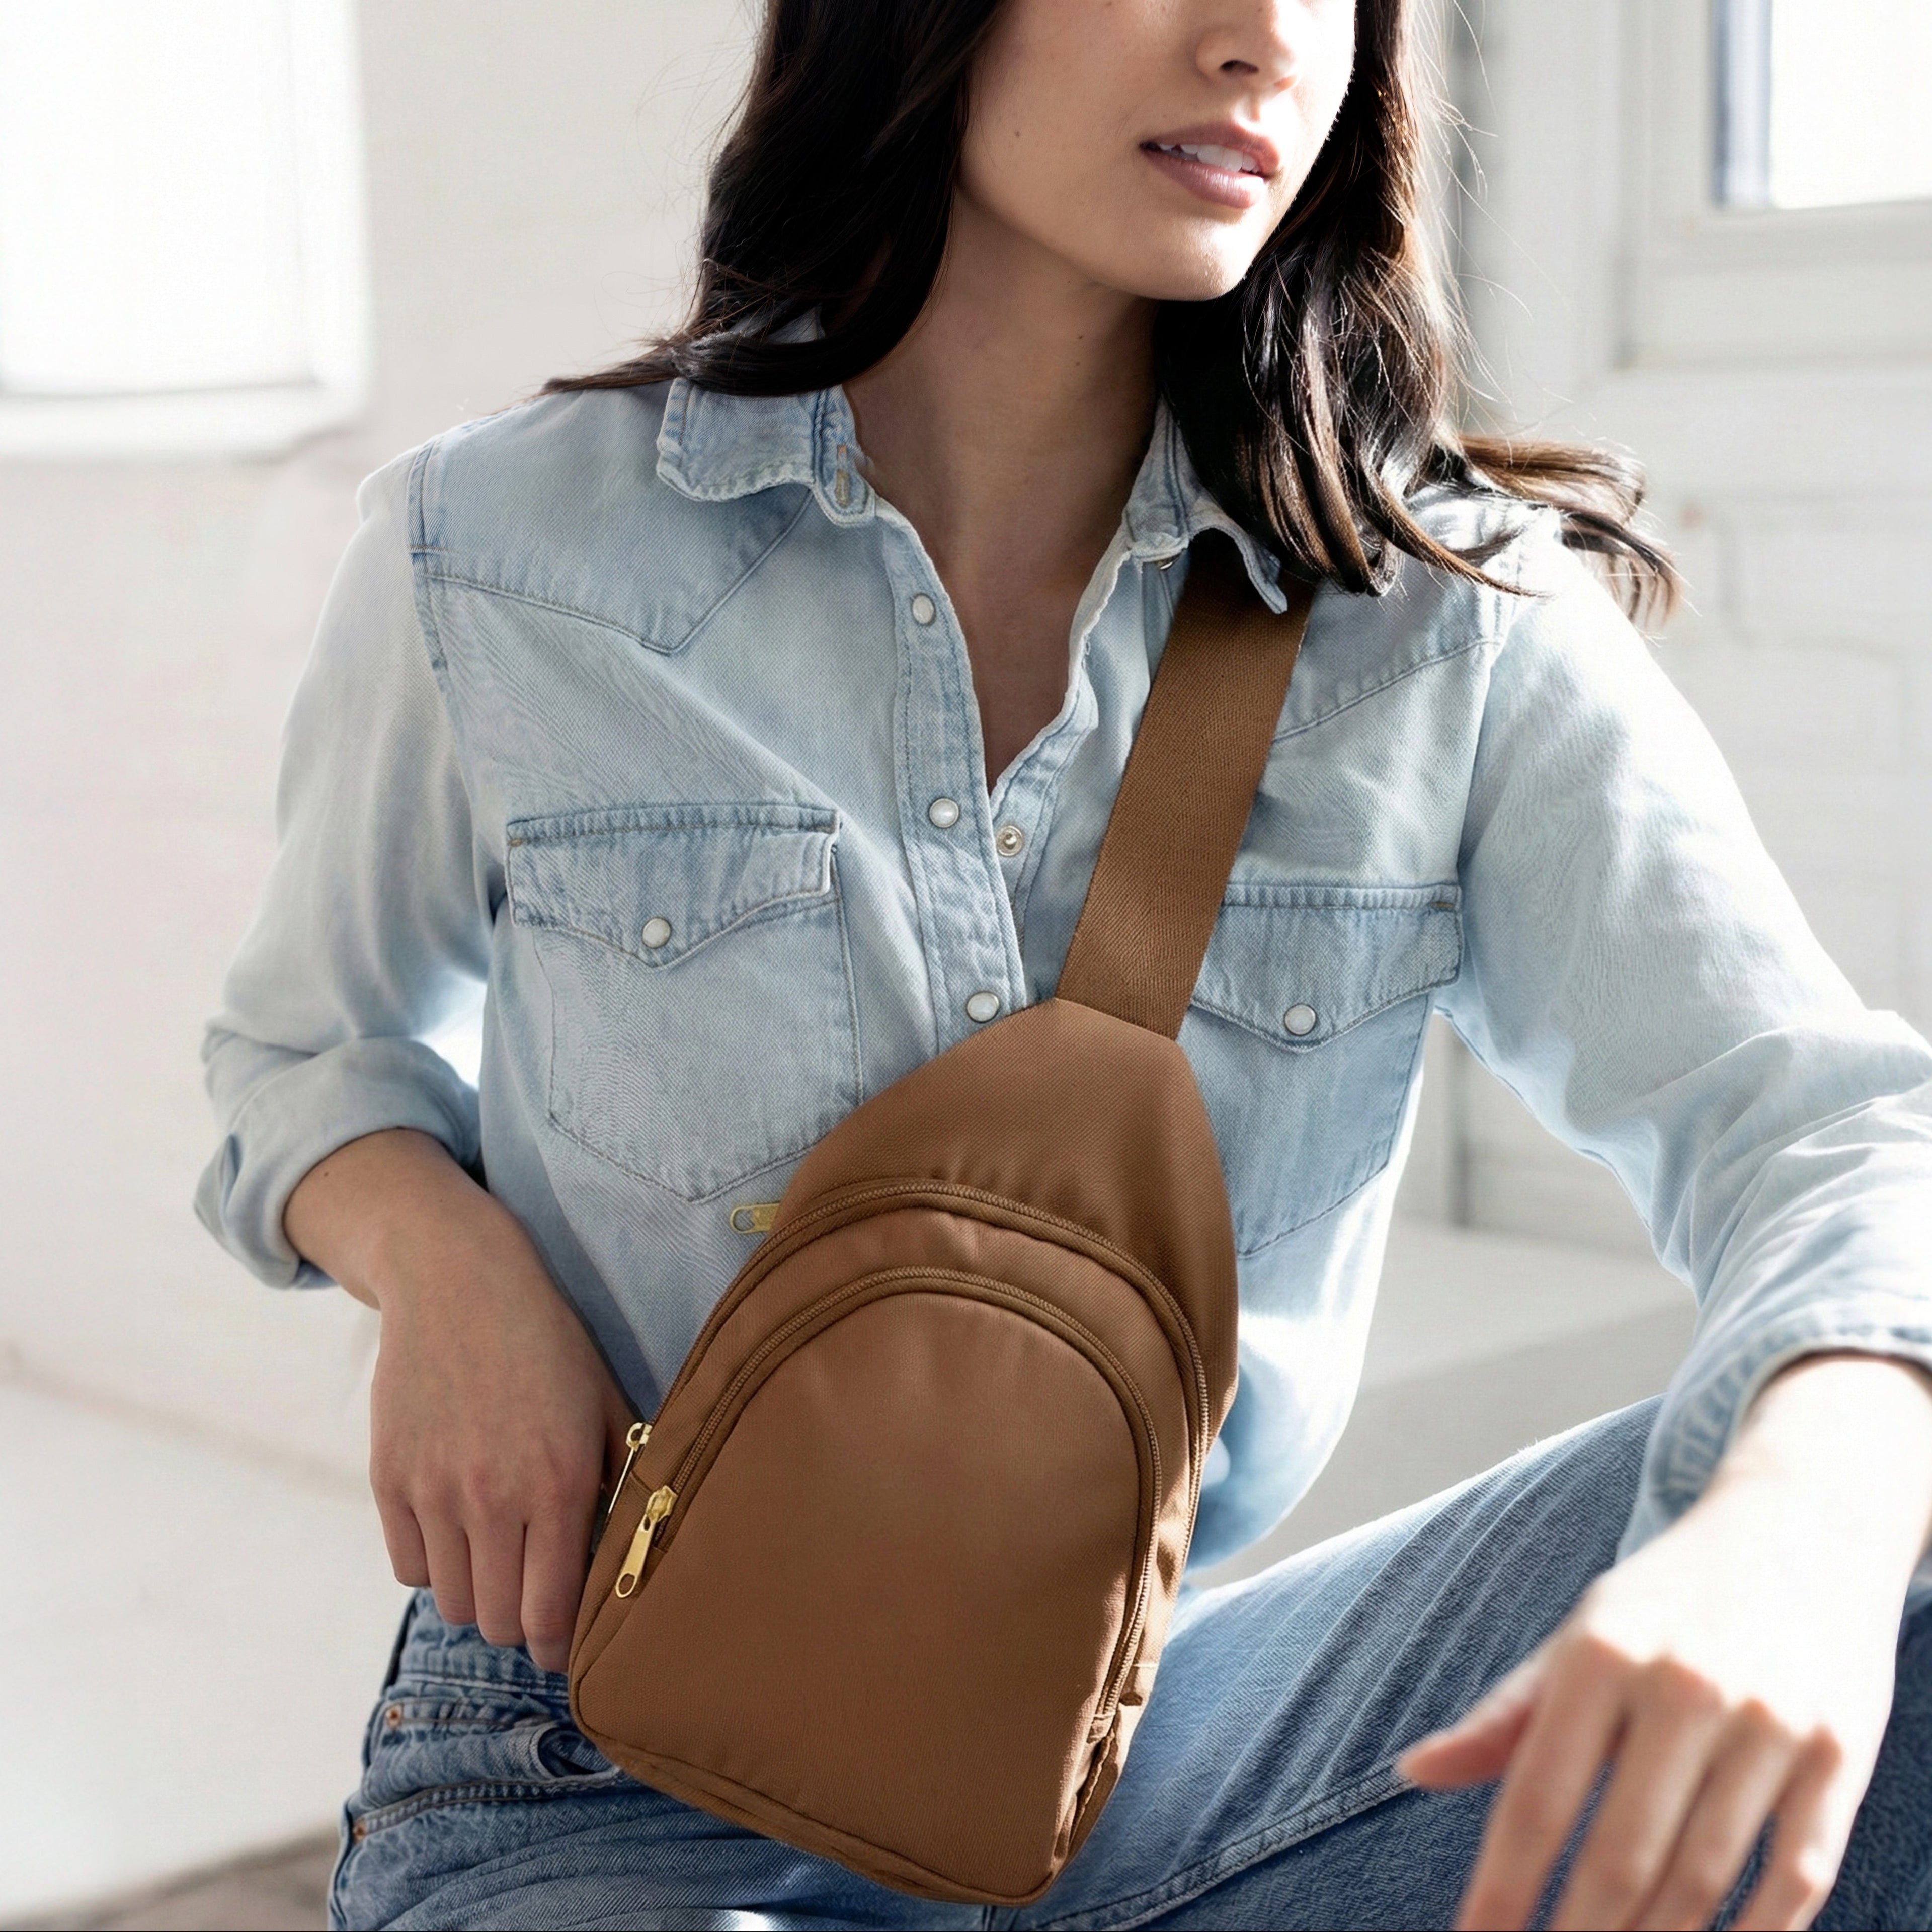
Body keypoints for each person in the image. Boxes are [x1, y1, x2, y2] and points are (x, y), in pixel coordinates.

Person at [196, 1, 1932, 1926]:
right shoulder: (505, 548)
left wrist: (1808, 1520)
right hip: (593, 1771)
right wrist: (440, 1260)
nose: (1266, 38)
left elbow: (1833, 1131)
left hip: (1123, 1752)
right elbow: (302, 1053)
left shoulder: (1439, 625)